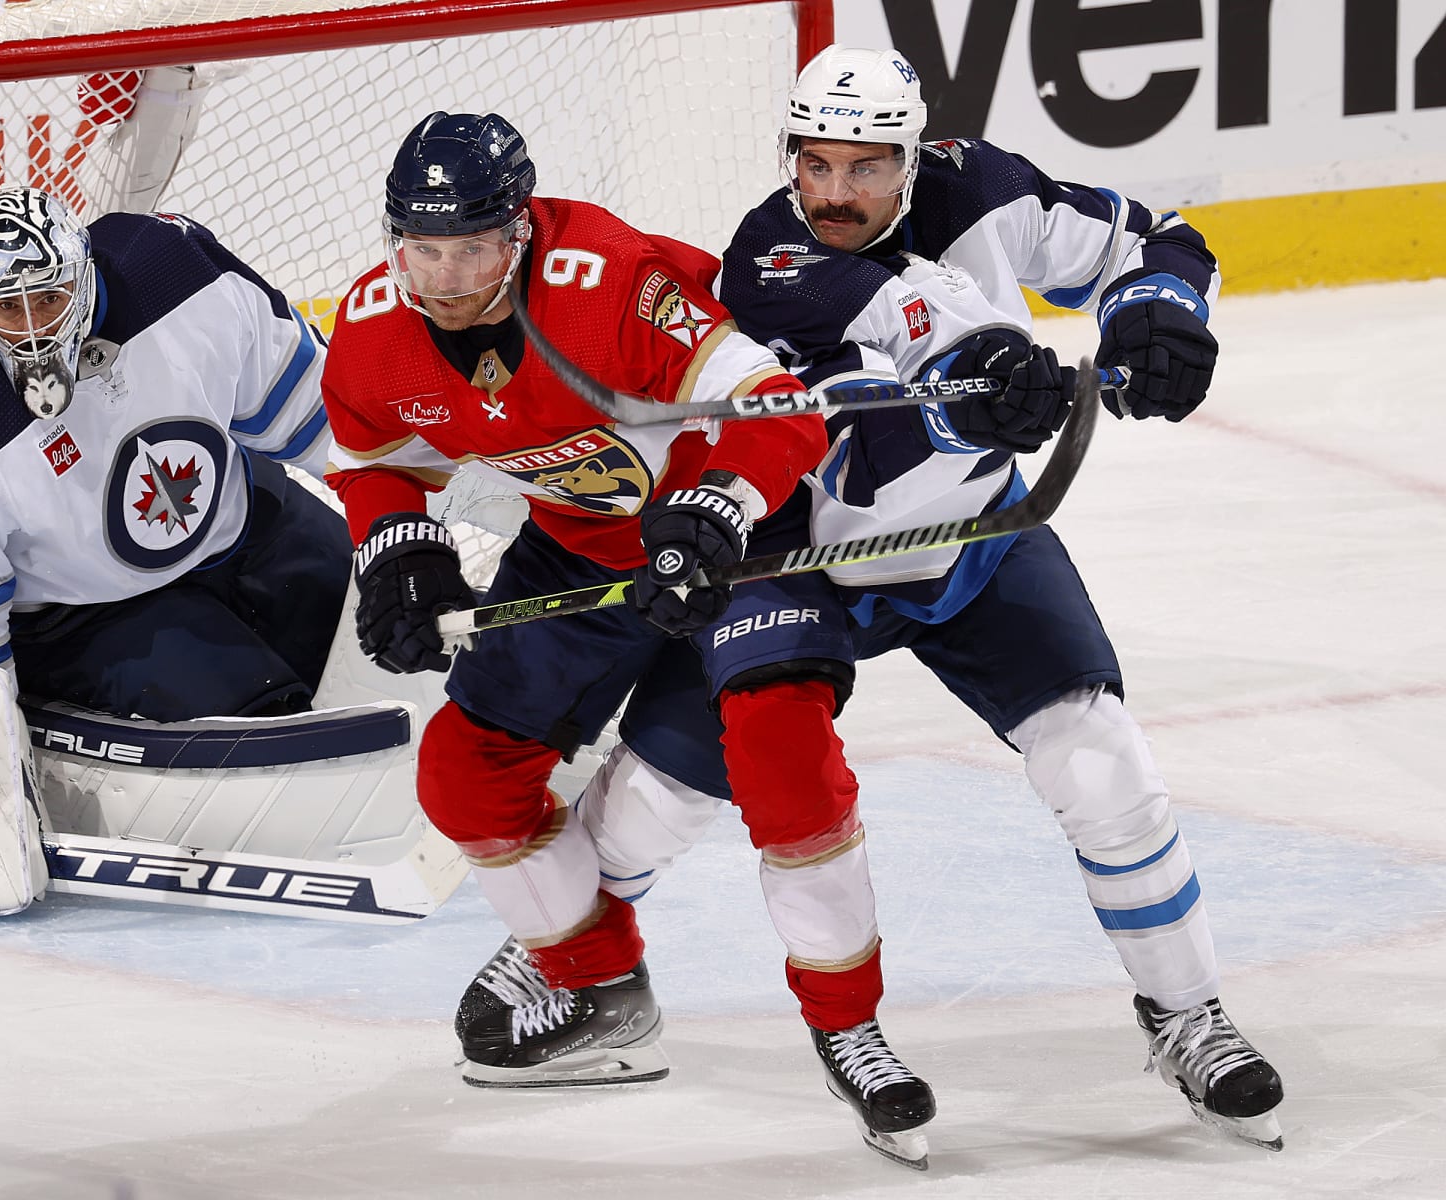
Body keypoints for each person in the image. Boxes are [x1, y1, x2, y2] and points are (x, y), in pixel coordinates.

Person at [454, 46, 1285, 1164]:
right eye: (814, 161)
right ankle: (560, 950)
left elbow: (1156, 238)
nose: (834, 192)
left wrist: (1162, 310)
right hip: (798, 556)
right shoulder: (769, 263)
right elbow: (880, 386)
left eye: (863, 167)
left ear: (913, 156)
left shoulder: (984, 188)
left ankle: (1188, 1015)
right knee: (661, 797)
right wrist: (979, 386)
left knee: (1105, 765)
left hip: (968, 547)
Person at [319, 112, 921, 1101]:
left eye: (472, 247)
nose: (449, 277)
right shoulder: (377, 328)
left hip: (740, 539)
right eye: (423, 250)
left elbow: (780, 407)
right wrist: (397, 548)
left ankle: (850, 1026)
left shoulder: (605, 282)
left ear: (518, 229)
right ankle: (598, 991)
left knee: (779, 763)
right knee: (463, 778)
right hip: (579, 547)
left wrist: (716, 506)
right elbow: (375, 457)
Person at [0, 186, 344, 724]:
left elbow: (321, 410)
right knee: (260, 728)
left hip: (245, 526)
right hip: (89, 617)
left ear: (86, 273)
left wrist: (410, 514)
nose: (34, 330)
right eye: (7, 307)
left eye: (50, 297)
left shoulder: (175, 272)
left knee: (397, 622)